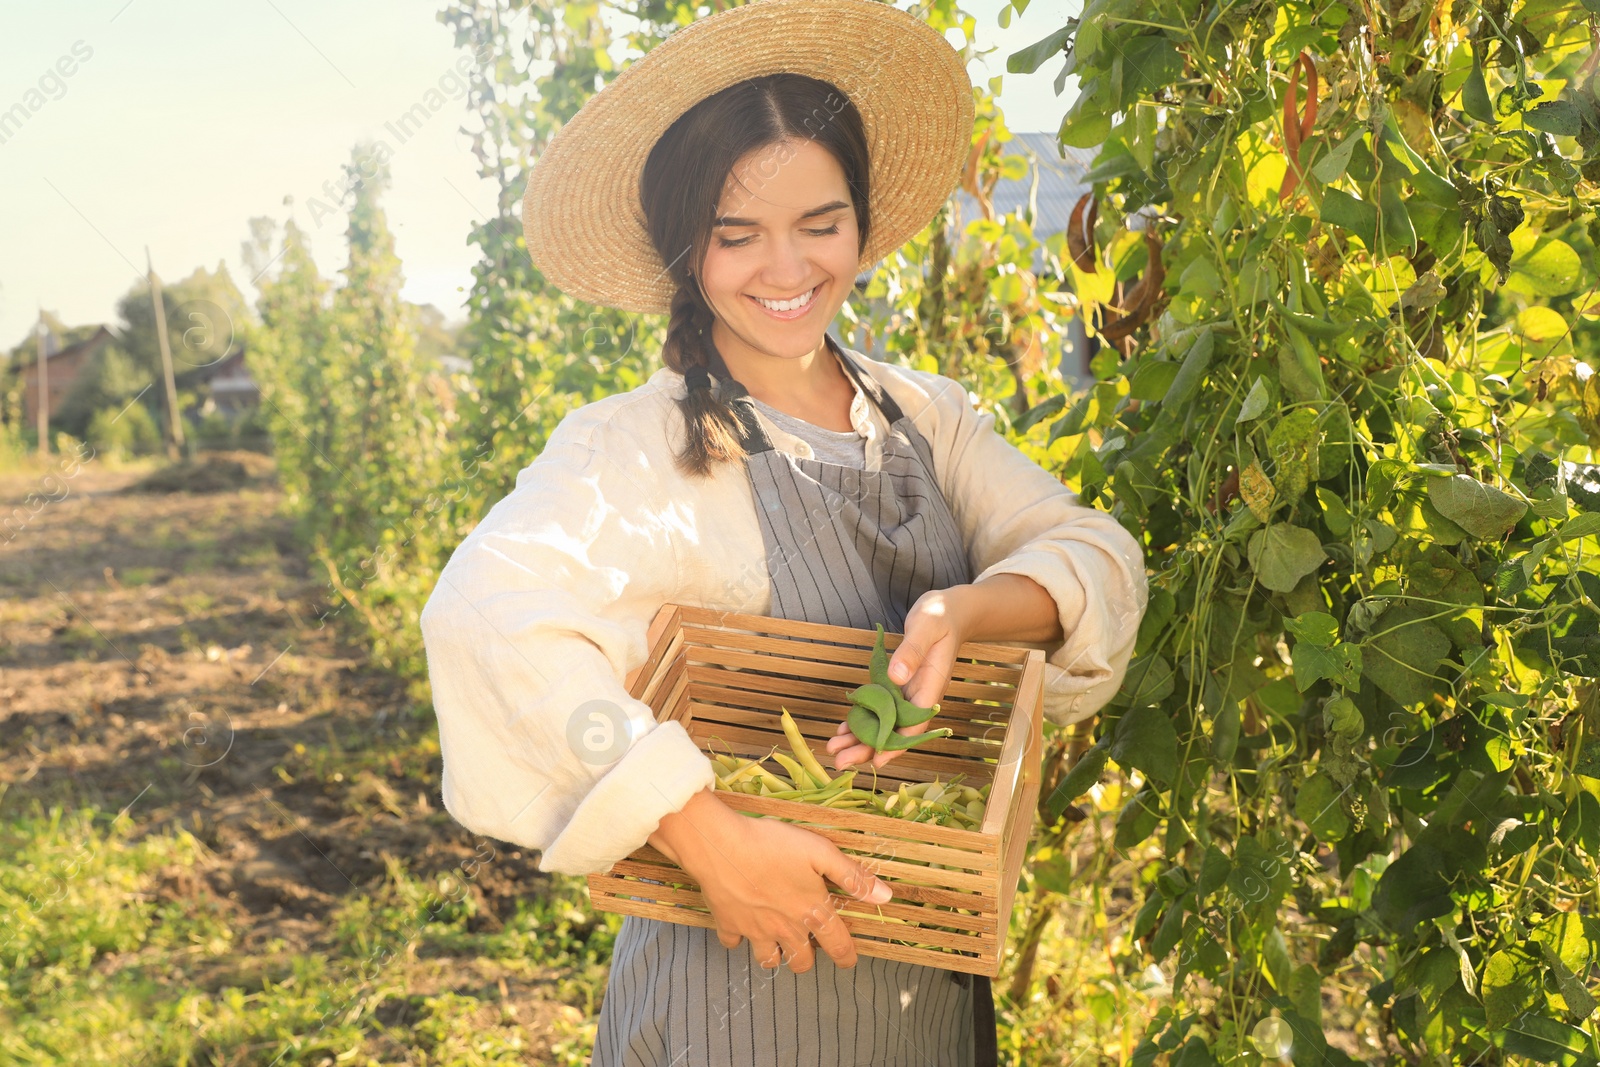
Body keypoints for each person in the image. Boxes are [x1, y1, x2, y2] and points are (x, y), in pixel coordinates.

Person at [417, 1, 1149, 1063]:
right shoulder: (638, 446)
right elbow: (485, 618)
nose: (787, 267)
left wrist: (963, 611)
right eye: (736, 234)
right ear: (686, 246)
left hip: (924, 972)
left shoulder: (921, 416)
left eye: (820, 223)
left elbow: (1092, 553)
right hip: (740, 980)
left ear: (860, 221)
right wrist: (700, 830)